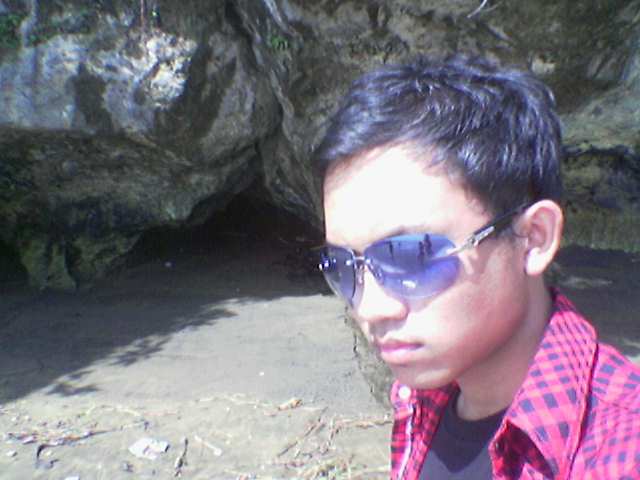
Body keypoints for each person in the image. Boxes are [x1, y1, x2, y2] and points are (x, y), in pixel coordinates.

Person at [313, 56, 640, 479]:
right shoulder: (419, 399)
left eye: (411, 256)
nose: (369, 309)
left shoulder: (621, 453)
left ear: (533, 238)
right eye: (342, 266)